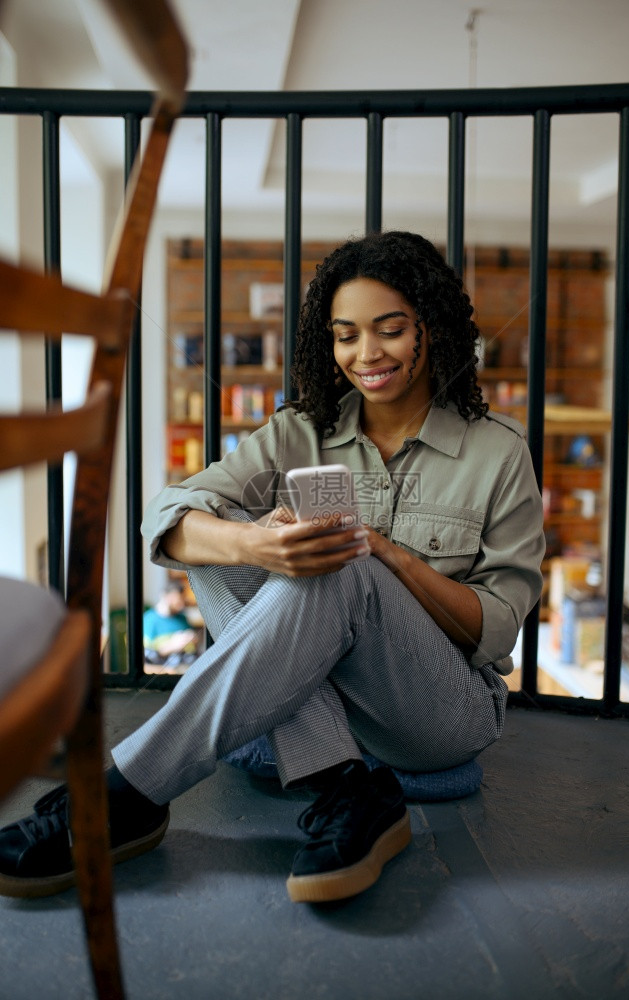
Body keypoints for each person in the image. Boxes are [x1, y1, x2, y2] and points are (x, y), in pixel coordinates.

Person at [0, 230, 544, 904]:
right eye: (345, 335)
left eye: (389, 330)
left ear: (429, 329)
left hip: (435, 710)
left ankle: (127, 791)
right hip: (319, 693)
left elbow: (494, 628)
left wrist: (389, 557)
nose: (365, 354)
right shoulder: (300, 431)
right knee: (220, 544)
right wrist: (254, 545)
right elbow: (168, 513)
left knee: (341, 559)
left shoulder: (498, 453)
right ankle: (347, 789)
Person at [142, 580, 199, 669]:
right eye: (177, 600)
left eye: (182, 600)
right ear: (165, 596)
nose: (181, 605)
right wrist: (173, 646)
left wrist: (193, 640)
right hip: (164, 670)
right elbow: (146, 657)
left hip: (188, 667)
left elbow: (193, 647)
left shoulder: (182, 618)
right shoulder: (149, 620)